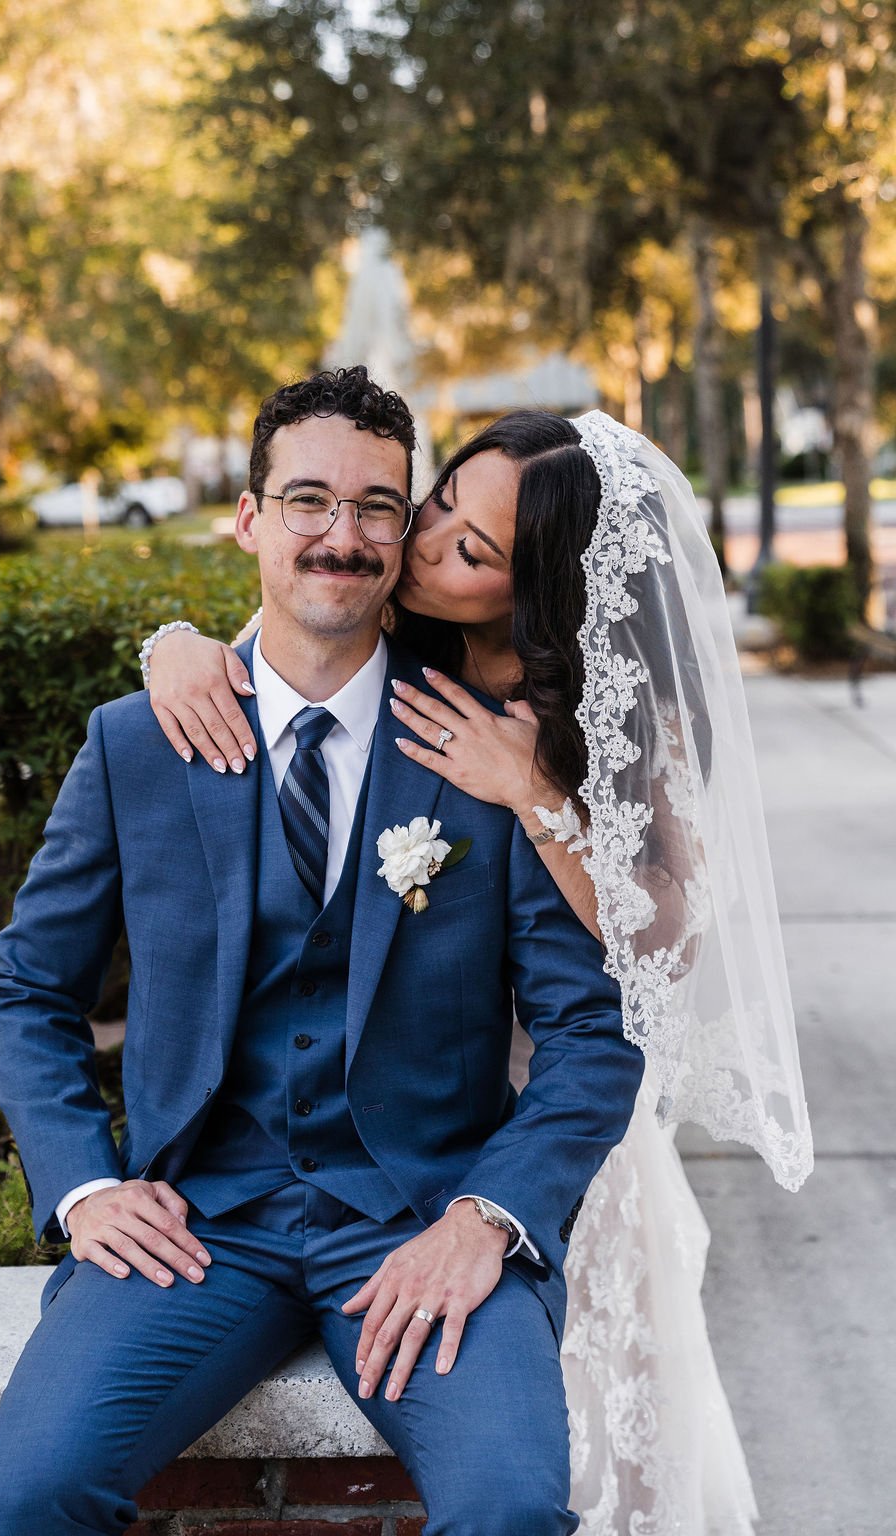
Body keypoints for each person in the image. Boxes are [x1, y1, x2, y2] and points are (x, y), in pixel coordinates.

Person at [0, 366, 647, 1536]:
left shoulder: (485, 757)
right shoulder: (140, 742)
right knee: (32, 1493)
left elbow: (594, 1032)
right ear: (247, 520)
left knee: (507, 1506)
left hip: (423, 1215)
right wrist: (84, 1186)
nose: (342, 536)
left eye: (379, 507)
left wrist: (487, 1216)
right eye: (307, 502)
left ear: (404, 532)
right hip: (198, 1225)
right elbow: (32, 987)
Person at [146, 401, 814, 1533]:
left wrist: (536, 799)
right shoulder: (402, 648)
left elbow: (654, 961)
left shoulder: (610, 726)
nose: (415, 544)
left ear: (533, 590)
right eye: (440, 503)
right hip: (379, 1127)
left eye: (468, 550)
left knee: (591, 1458)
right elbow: (275, 648)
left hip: (550, 1131)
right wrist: (170, 647)